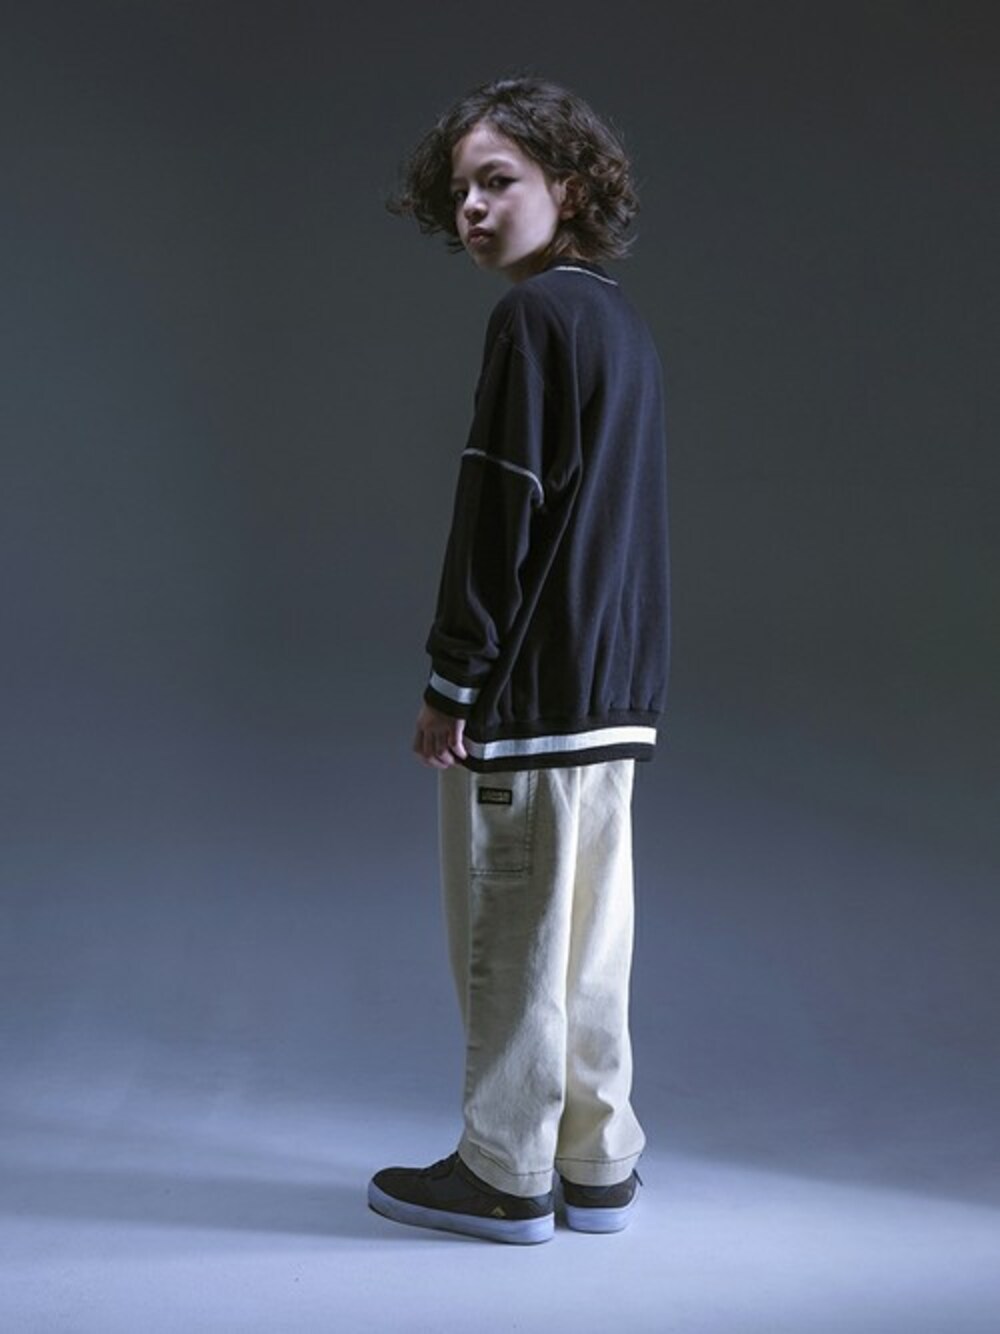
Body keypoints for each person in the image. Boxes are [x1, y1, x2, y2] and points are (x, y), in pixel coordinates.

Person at [368, 75, 670, 1245]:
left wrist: (454, 678)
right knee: (591, 942)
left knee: (516, 937)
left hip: (533, 694)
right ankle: (597, 1161)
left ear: (572, 187)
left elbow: (503, 509)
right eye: (460, 192)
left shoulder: (533, 319)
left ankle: (504, 1168)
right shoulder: (619, 324)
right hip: (612, 694)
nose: (472, 210)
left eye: (497, 181)